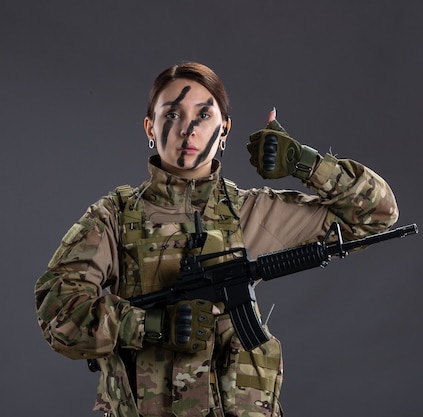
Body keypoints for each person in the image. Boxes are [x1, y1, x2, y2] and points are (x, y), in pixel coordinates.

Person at [35, 62, 399, 417]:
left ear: (225, 130)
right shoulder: (113, 218)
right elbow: (57, 313)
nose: (188, 129)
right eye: (173, 115)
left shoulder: (250, 212)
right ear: (150, 126)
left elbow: (377, 216)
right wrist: (151, 326)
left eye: (204, 115)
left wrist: (305, 163)